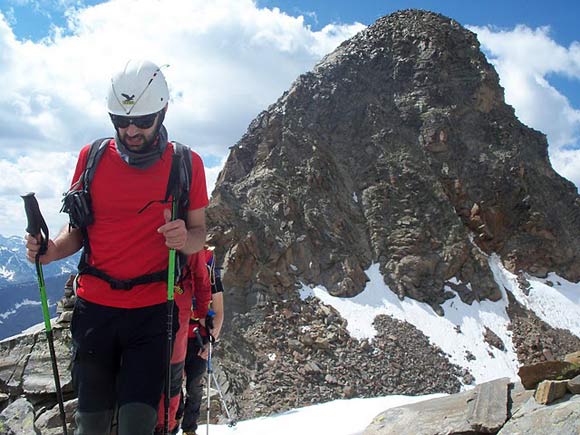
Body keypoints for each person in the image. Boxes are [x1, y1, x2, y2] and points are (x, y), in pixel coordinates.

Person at [24, 59, 209, 435]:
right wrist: (51, 250)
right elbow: (78, 229)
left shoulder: (187, 163)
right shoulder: (91, 157)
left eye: (143, 121)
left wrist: (184, 239)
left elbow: (200, 234)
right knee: (90, 424)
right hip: (95, 310)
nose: (131, 130)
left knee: (137, 424)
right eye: (120, 121)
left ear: (163, 111)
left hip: (153, 312)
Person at [179, 246, 225, 435]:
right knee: (173, 387)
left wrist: (210, 342)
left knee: (194, 387)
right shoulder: (173, 261)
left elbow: (219, 311)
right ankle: (172, 425)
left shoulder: (208, 267)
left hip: (198, 337)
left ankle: (189, 429)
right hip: (177, 335)